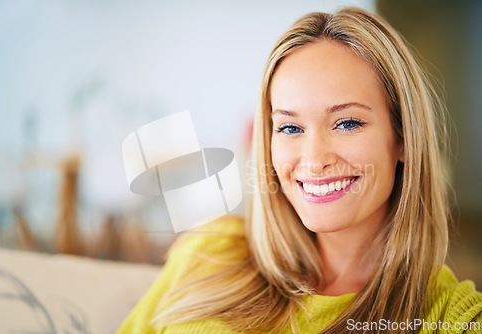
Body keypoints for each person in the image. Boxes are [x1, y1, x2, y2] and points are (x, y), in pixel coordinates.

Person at [117, 7, 482, 334]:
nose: (314, 159)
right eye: (290, 128)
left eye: (347, 123)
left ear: (403, 138)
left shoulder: (447, 315)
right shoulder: (207, 249)